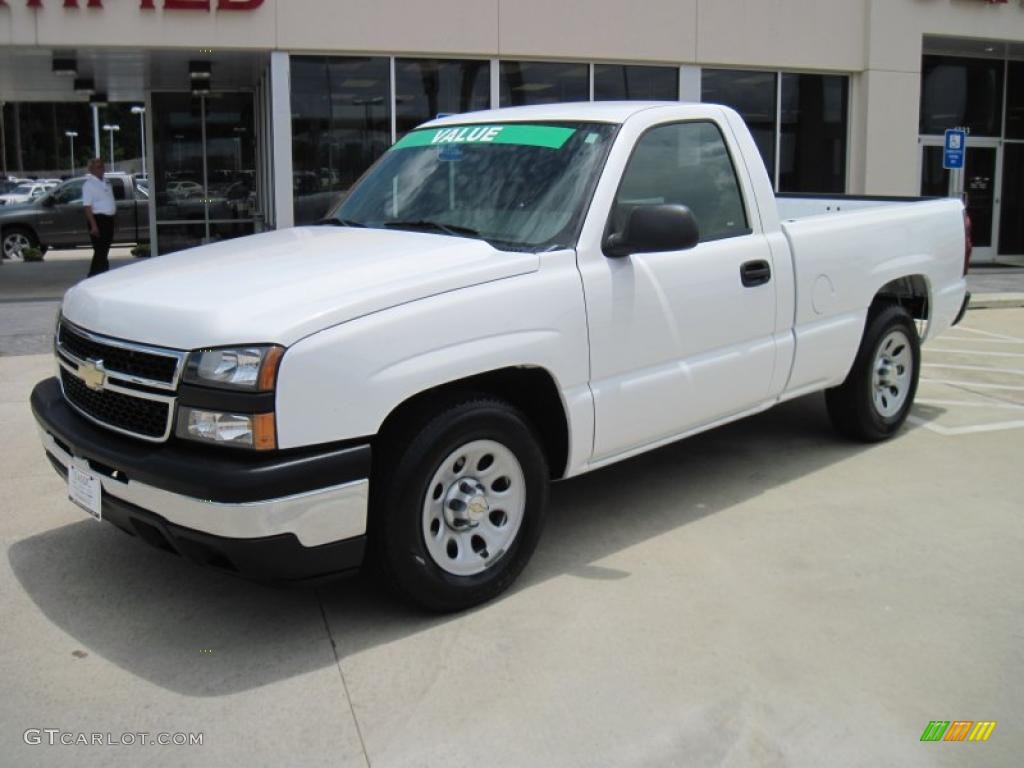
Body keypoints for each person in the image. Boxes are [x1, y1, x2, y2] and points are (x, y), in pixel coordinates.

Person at [82, 158, 116, 277]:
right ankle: (94, 275)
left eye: (102, 166)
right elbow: (87, 207)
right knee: (100, 251)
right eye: (98, 167)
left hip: (108, 219)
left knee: (104, 250)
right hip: (98, 220)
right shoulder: (89, 185)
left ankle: (101, 273)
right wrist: (93, 225)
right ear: (91, 169)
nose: (101, 169)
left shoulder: (106, 181)